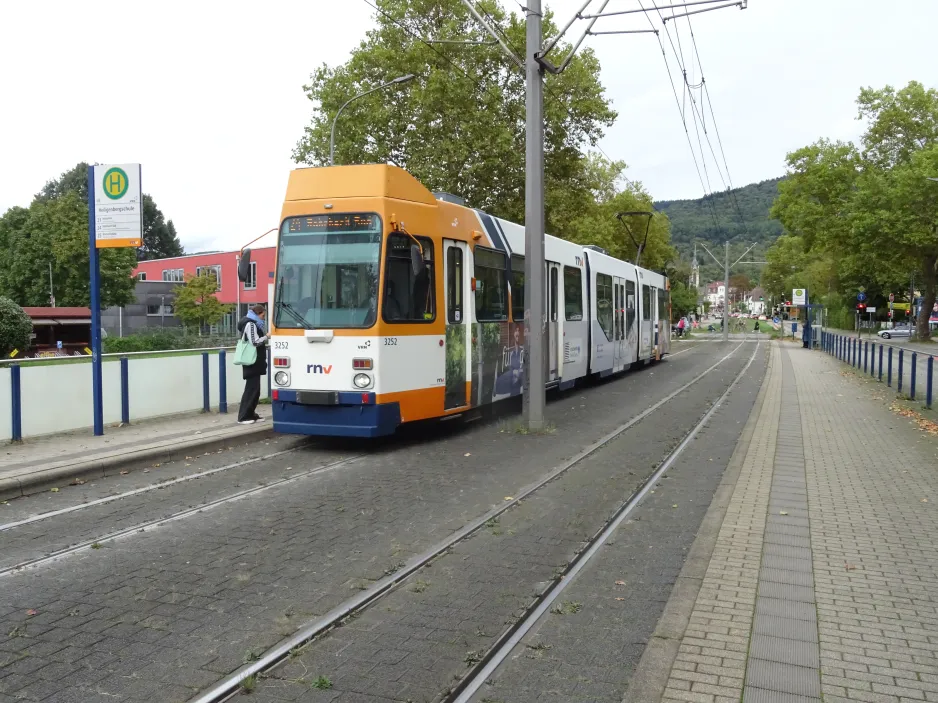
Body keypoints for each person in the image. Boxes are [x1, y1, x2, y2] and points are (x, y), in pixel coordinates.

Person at [237, 305, 269, 425]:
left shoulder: (253, 323)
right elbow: (254, 342)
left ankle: (251, 414)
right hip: (252, 361)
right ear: (258, 314)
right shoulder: (250, 324)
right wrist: (267, 337)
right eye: (263, 315)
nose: (263, 318)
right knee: (251, 389)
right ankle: (243, 416)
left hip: (256, 361)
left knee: (255, 389)